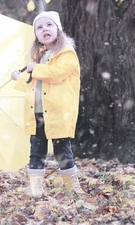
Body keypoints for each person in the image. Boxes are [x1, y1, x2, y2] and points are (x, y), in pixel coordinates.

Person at [11, 11, 85, 198]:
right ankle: (36, 188)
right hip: (37, 112)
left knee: (62, 151)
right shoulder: (40, 55)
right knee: (36, 152)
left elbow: (56, 74)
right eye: (40, 27)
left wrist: (36, 68)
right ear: (36, 34)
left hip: (58, 113)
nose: (45, 29)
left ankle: (72, 187)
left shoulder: (66, 53)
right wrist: (20, 78)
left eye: (49, 25)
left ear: (58, 29)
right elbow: (33, 83)